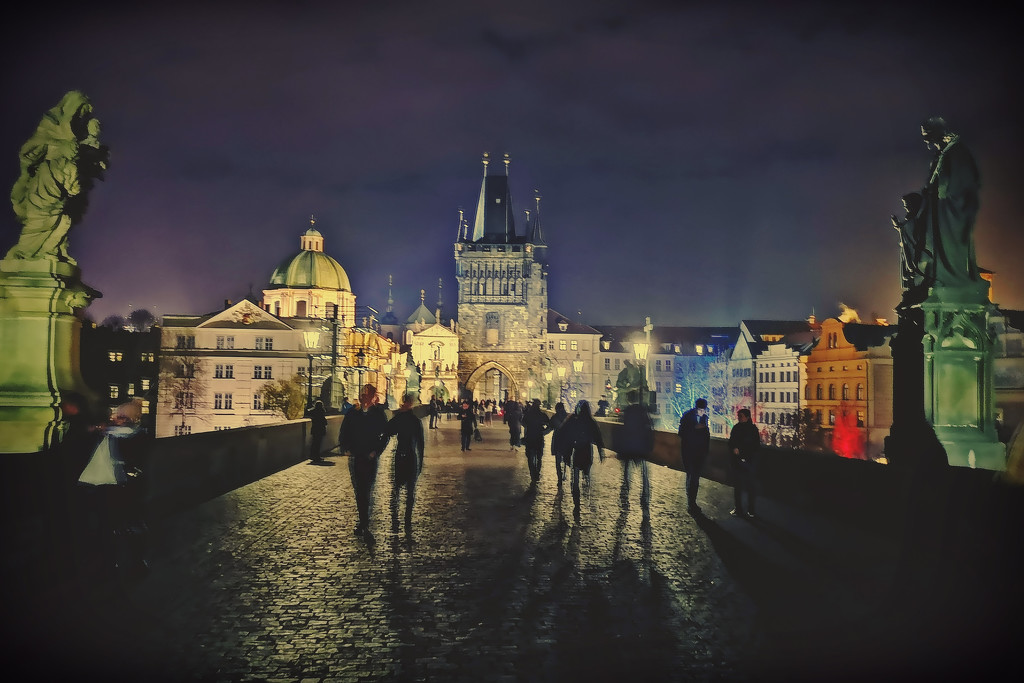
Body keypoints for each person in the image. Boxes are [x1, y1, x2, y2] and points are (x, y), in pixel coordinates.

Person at [917, 116, 983, 292]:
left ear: (939, 132)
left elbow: (964, 182)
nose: (925, 139)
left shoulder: (956, 151)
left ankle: (952, 279)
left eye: (927, 134)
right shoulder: (943, 153)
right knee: (936, 244)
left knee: (949, 245)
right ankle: (942, 277)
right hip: (942, 209)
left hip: (953, 210)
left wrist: (938, 192)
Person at [338, 384, 390, 542]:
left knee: (366, 489)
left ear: (373, 398)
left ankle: (364, 523)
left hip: (370, 457)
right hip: (356, 456)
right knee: (359, 490)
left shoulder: (378, 414)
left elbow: (385, 435)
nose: (364, 399)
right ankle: (363, 521)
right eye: (363, 396)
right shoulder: (353, 413)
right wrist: (345, 448)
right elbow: (343, 433)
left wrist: (376, 451)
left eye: (367, 396)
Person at [387, 393, 425, 539]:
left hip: (401, 455)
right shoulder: (415, 421)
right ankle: (406, 520)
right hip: (411, 456)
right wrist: (420, 461)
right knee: (409, 490)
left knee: (397, 488)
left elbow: (388, 430)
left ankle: (395, 516)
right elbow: (420, 444)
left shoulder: (400, 418)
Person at [615, 391, 654, 516]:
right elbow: (649, 428)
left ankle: (625, 492)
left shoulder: (627, 411)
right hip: (641, 446)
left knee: (627, 471)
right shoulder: (643, 411)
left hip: (629, 446)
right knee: (644, 474)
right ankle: (645, 496)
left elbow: (623, 431)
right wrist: (648, 445)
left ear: (628, 399)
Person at [567, 400, 605, 516]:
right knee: (586, 468)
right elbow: (598, 438)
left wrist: (567, 452)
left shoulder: (575, 421)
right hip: (587, 450)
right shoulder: (591, 422)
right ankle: (586, 478)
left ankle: (576, 502)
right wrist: (600, 452)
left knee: (576, 473)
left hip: (578, 449)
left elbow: (569, 436)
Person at [678, 397, 711, 514]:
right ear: (696, 408)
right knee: (692, 476)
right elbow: (681, 433)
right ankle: (691, 503)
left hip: (700, 452)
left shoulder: (705, 418)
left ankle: (692, 502)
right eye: (701, 409)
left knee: (694, 477)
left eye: (704, 410)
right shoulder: (687, 416)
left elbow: (706, 435)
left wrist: (706, 450)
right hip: (689, 452)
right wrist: (694, 429)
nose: (703, 412)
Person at [728, 408, 761, 520]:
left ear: (747, 417)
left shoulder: (751, 429)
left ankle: (749, 509)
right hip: (740, 461)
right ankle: (740, 508)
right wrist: (734, 448)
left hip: (748, 461)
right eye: (739, 416)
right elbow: (731, 442)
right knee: (739, 486)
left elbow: (754, 446)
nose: (739, 418)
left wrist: (739, 450)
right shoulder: (740, 428)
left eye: (741, 416)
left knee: (748, 487)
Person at [522, 399, 551, 485]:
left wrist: (528, 428)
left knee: (530, 457)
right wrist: (544, 432)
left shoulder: (528, 414)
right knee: (539, 457)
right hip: (539, 437)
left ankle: (532, 473)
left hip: (530, 437)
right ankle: (537, 473)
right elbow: (549, 425)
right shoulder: (542, 415)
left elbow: (523, 422)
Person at [548, 402, 571, 486]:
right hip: (567, 441)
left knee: (558, 462)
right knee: (567, 459)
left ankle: (560, 479)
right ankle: (566, 473)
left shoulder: (554, 417)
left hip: (558, 441)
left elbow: (549, 428)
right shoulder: (568, 417)